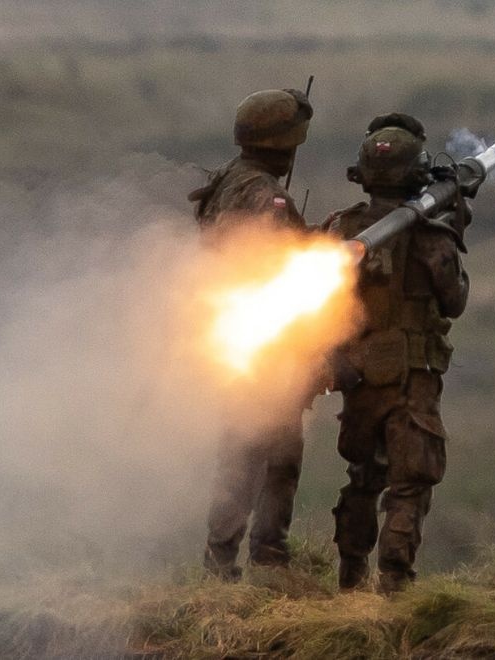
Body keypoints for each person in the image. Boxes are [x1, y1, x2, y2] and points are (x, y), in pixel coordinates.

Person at [322, 113, 470, 593]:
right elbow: (455, 301)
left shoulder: (339, 230)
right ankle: (394, 583)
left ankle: (350, 576)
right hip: (411, 376)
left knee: (364, 476)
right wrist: (452, 226)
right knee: (410, 483)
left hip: (360, 373)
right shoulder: (429, 235)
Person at [188, 88, 314, 580]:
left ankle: (219, 560)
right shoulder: (268, 196)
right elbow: (280, 264)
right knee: (276, 457)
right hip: (267, 340)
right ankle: (268, 561)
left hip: (233, 331)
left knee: (238, 452)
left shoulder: (227, 181)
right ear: (283, 144)